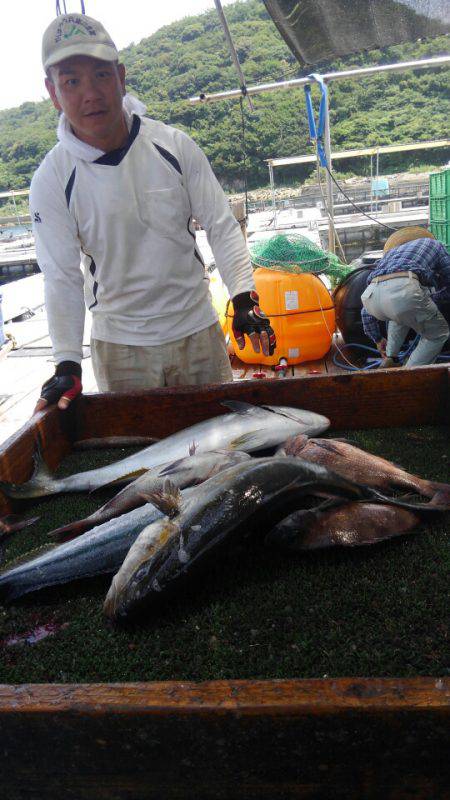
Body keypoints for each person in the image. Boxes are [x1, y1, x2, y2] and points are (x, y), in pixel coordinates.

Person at [31, 13, 276, 413]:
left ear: (121, 77)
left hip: (197, 330)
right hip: (120, 346)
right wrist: (67, 361)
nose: (90, 93)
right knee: (143, 458)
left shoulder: (174, 146)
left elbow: (220, 224)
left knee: (220, 451)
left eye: (101, 75)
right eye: (71, 81)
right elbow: (60, 276)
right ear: (53, 93)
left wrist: (244, 298)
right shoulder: (52, 179)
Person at [361, 226, 450, 368]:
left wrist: (377, 339)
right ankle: (407, 374)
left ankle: (390, 358)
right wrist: (434, 299)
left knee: (398, 316)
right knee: (438, 334)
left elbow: (365, 313)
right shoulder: (436, 246)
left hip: (371, 295)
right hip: (405, 290)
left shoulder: (391, 253)